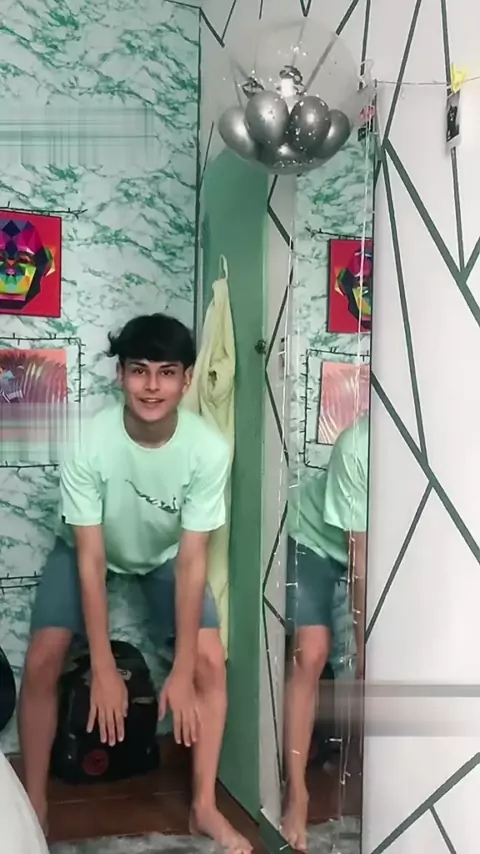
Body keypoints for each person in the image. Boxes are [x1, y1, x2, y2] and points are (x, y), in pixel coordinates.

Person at [19, 313, 252, 854]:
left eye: (166, 373)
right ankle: (33, 806)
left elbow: (192, 560)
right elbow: (91, 558)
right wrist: (102, 667)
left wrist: (182, 668)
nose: (151, 386)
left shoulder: (209, 450)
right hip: (87, 547)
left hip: (164, 555)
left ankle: (202, 807)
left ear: (187, 380)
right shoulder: (89, 442)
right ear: (120, 375)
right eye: (139, 370)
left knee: (210, 661)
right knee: (43, 658)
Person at [281, 413, 369, 852]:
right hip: (313, 540)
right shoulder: (357, 446)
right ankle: (296, 794)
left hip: (383, 549)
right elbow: (361, 562)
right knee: (312, 652)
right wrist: (366, 649)